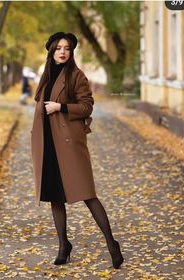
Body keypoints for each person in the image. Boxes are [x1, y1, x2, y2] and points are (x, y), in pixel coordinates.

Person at [30, 32, 124, 269]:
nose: (63, 52)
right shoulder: (47, 74)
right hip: (48, 143)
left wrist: (60, 107)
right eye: (58, 48)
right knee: (54, 196)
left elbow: (87, 106)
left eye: (68, 48)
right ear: (51, 51)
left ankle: (112, 243)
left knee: (87, 194)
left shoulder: (76, 75)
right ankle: (64, 245)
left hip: (69, 143)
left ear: (72, 52)